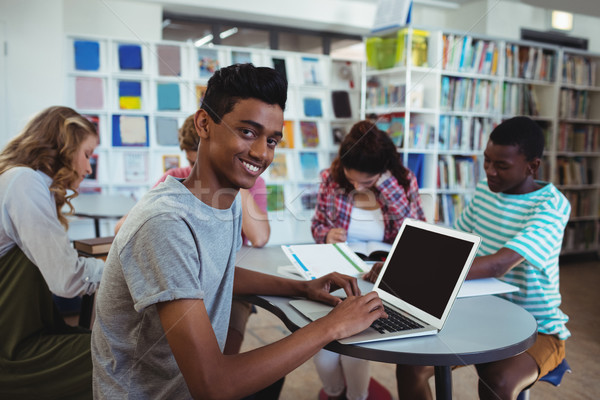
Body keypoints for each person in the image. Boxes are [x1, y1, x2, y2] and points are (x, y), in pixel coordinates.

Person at [91, 63, 387, 399]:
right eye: (248, 132)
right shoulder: (165, 224)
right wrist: (331, 326)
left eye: (272, 140)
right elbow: (212, 386)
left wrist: (301, 288)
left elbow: (218, 271)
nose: (262, 153)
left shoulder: (226, 201)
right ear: (204, 124)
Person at [394, 116, 571, 400]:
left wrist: (413, 269)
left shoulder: (552, 206)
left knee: (497, 381)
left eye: (501, 165)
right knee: (410, 367)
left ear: (532, 166)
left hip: (538, 328)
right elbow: (453, 245)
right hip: (481, 316)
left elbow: (499, 264)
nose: (490, 171)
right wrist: (399, 263)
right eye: (487, 161)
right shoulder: (483, 193)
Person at [311, 120, 426, 400]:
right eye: (352, 178)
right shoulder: (331, 177)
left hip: (384, 274)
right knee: (324, 351)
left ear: (383, 170)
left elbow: (415, 233)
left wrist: (386, 185)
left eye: (367, 181)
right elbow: (317, 225)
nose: (356, 185)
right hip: (342, 271)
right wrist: (326, 235)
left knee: (354, 345)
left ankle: (357, 395)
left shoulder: (403, 181)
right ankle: (336, 392)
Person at [0, 106, 104, 398]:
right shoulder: (25, 182)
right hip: (11, 346)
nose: (88, 168)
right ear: (65, 146)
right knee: (122, 355)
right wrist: (121, 270)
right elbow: (67, 280)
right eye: (87, 154)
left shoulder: (22, 180)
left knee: (108, 346)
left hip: (20, 331)